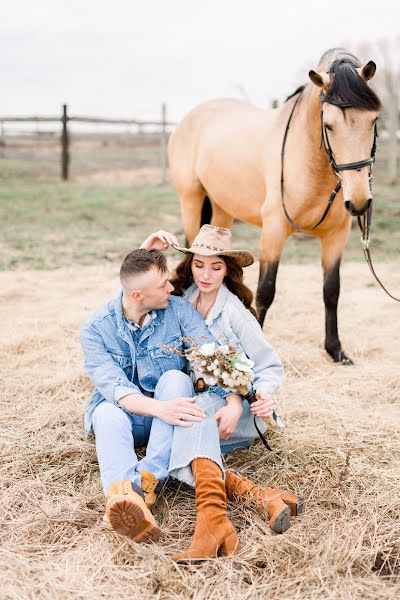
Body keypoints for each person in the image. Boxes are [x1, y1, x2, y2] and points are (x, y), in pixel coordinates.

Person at [140, 225, 303, 559]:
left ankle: (211, 525)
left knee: (186, 425)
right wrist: (147, 248)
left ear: (228, 269)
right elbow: (136, 294)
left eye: (216, 267)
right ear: (190, 265)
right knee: (185, 424)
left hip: (234, 410)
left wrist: (264, 395)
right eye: (199, 265)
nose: (206, 274)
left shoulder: (235, 315)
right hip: (195, 399)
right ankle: (261, 497)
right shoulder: (180, 301)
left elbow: (269, 367)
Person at [80, 248, 243, 555]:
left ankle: (145, 482)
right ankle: (125, 496)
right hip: (131, 416)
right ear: (138, 295)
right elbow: (114, 388)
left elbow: (211, 354)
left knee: (176, 379)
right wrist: (160, 409)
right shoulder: (95, 329)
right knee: (104, 412)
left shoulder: (178, 310)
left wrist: (233, 401)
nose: (172, 288)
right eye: (163, 286)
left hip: (167, 421)